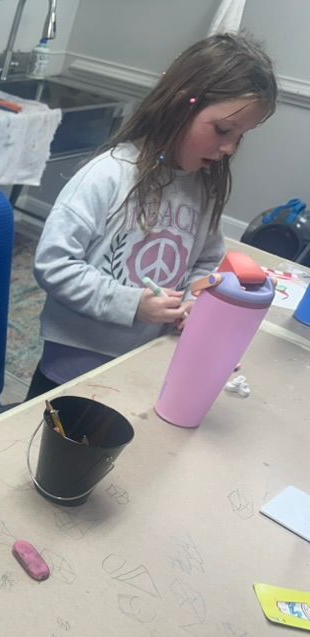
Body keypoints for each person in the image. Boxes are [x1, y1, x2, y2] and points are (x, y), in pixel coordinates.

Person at [27, 33, 276, 400]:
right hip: (71, 368)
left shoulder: (202, 189)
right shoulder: (107, 175)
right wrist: (132, 304)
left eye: (240, 137)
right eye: (223, 130)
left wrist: (195, 300)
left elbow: (206, 260)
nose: (228, 148)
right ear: (181, 105)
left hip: (145, 362)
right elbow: (53, 264)